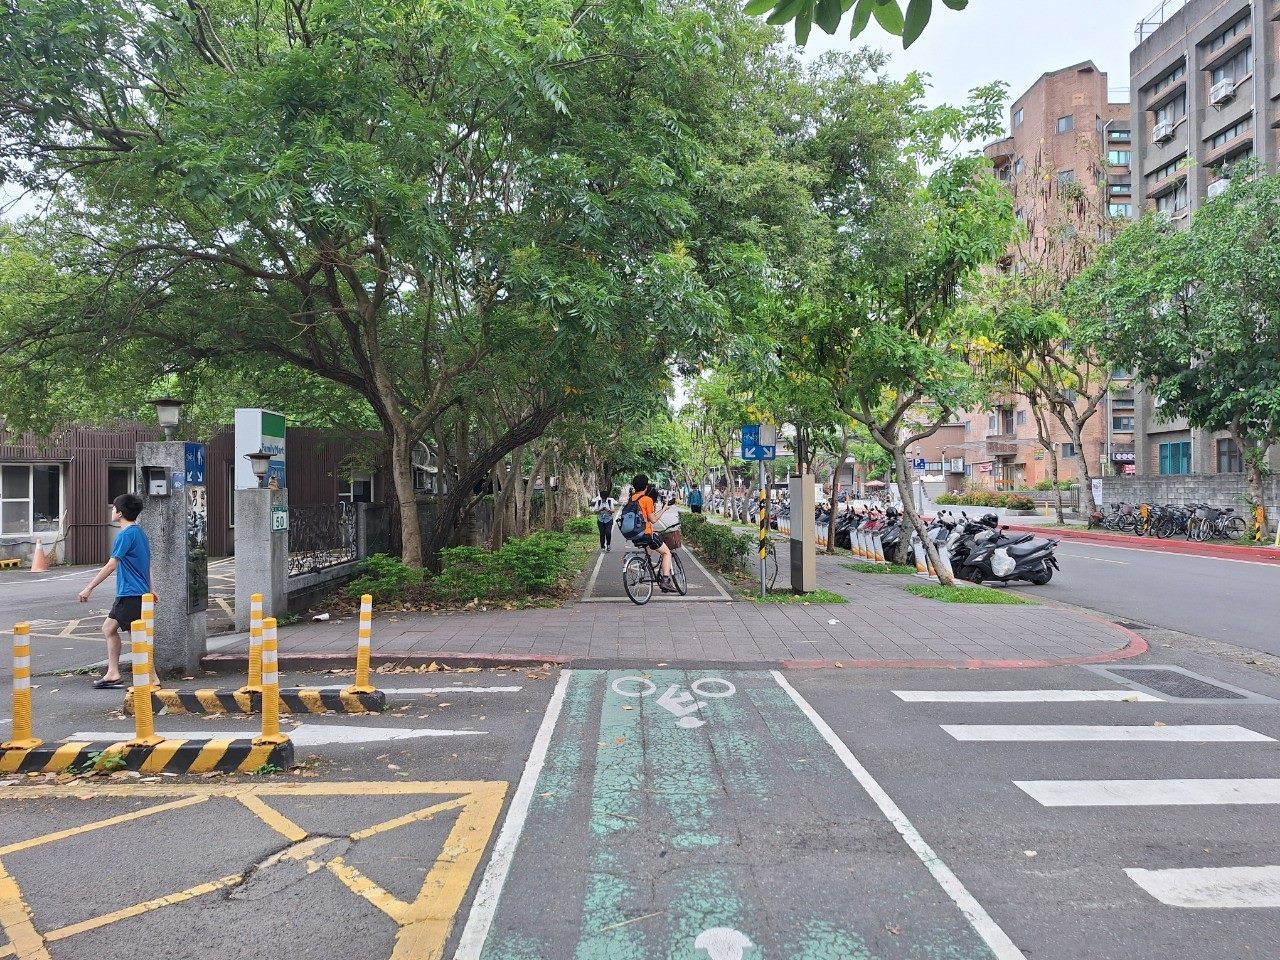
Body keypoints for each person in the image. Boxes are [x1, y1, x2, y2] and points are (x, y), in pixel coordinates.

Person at [78, 493, 152, 689]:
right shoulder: (140, 533)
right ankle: (116, 673)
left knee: (128, 634)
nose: (111, 511)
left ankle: (148, 677)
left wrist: (89, 587)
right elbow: (147, 564)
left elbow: (111, 565)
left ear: (120, 513)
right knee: (117, 630)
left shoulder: (125, 535)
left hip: (130, 593)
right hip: (137, 592)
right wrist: (152, 589)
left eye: (113, 508)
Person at [627, 474, 674, 591]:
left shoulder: (631, 499)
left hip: (634, 534)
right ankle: (665, 581)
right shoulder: (647, 500)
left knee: (649, 547)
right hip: (646, 534)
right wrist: (664, 509)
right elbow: (653, 520)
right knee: (666, 552)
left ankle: (646, 565)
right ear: (646, 487)